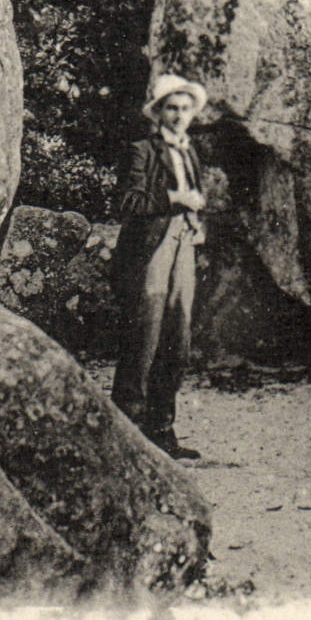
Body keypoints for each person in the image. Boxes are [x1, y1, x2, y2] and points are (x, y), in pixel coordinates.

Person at [109, 73, 209, 460]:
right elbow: (130, 202)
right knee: (144, 335)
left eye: (185, 109)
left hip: (183, 245)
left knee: (178, 337)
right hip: (151, 248)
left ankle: (162, 431)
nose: (178, 115)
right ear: (158, 113)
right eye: (171, 108)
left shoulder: (190, 150)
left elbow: (198, 199)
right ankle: (128, 434)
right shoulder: (143, 151)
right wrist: (175, 198)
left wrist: (197, 220)